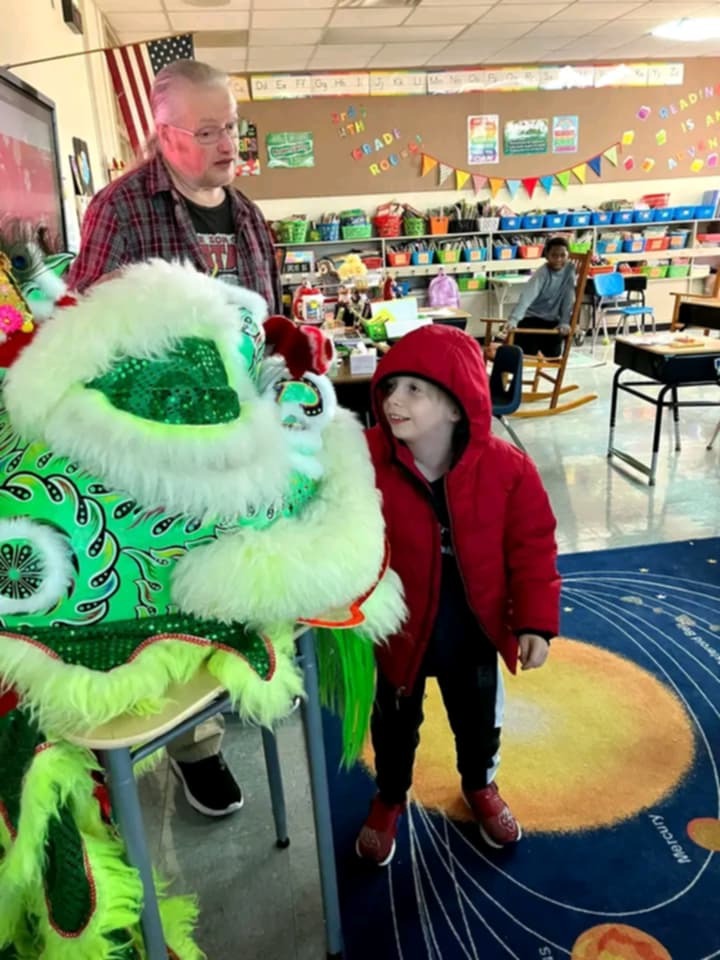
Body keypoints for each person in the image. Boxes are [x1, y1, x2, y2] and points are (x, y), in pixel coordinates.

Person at [67, 59, 282, 818]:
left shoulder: (248, 214)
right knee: (175, 589)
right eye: (209, 130)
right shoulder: (122, 210)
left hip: (245, 439)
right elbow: (89, 332)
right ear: (165, 134)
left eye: (233, 127)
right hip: (163, 445)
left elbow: (271, 318)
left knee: (244, 568)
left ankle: (243, 675)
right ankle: (197, 745)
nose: (228, 144)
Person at [357, 324, 560, 864]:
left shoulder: (507, 468)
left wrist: (534, 621)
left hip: (472, 629)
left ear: (455, 405)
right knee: (393, 725)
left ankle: (480, 784)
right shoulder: (362, 460)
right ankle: (390, 794)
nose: (393, 400)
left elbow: (533, 546)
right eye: (390, 386)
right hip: (398, 630)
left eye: (414, 390)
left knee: (477, 721)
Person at [505, 235, 576, 357]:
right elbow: (526, 297)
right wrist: (514, 319)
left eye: (563, 255)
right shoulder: (542, 273)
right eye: (554, 255)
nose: (558, 259)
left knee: (553, 354)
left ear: (568, 255)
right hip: (532, 318)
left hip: (552, 321)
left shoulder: (570, 270)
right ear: (547, 256)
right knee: (525, 351)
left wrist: (565, 321)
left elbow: (568, 299)